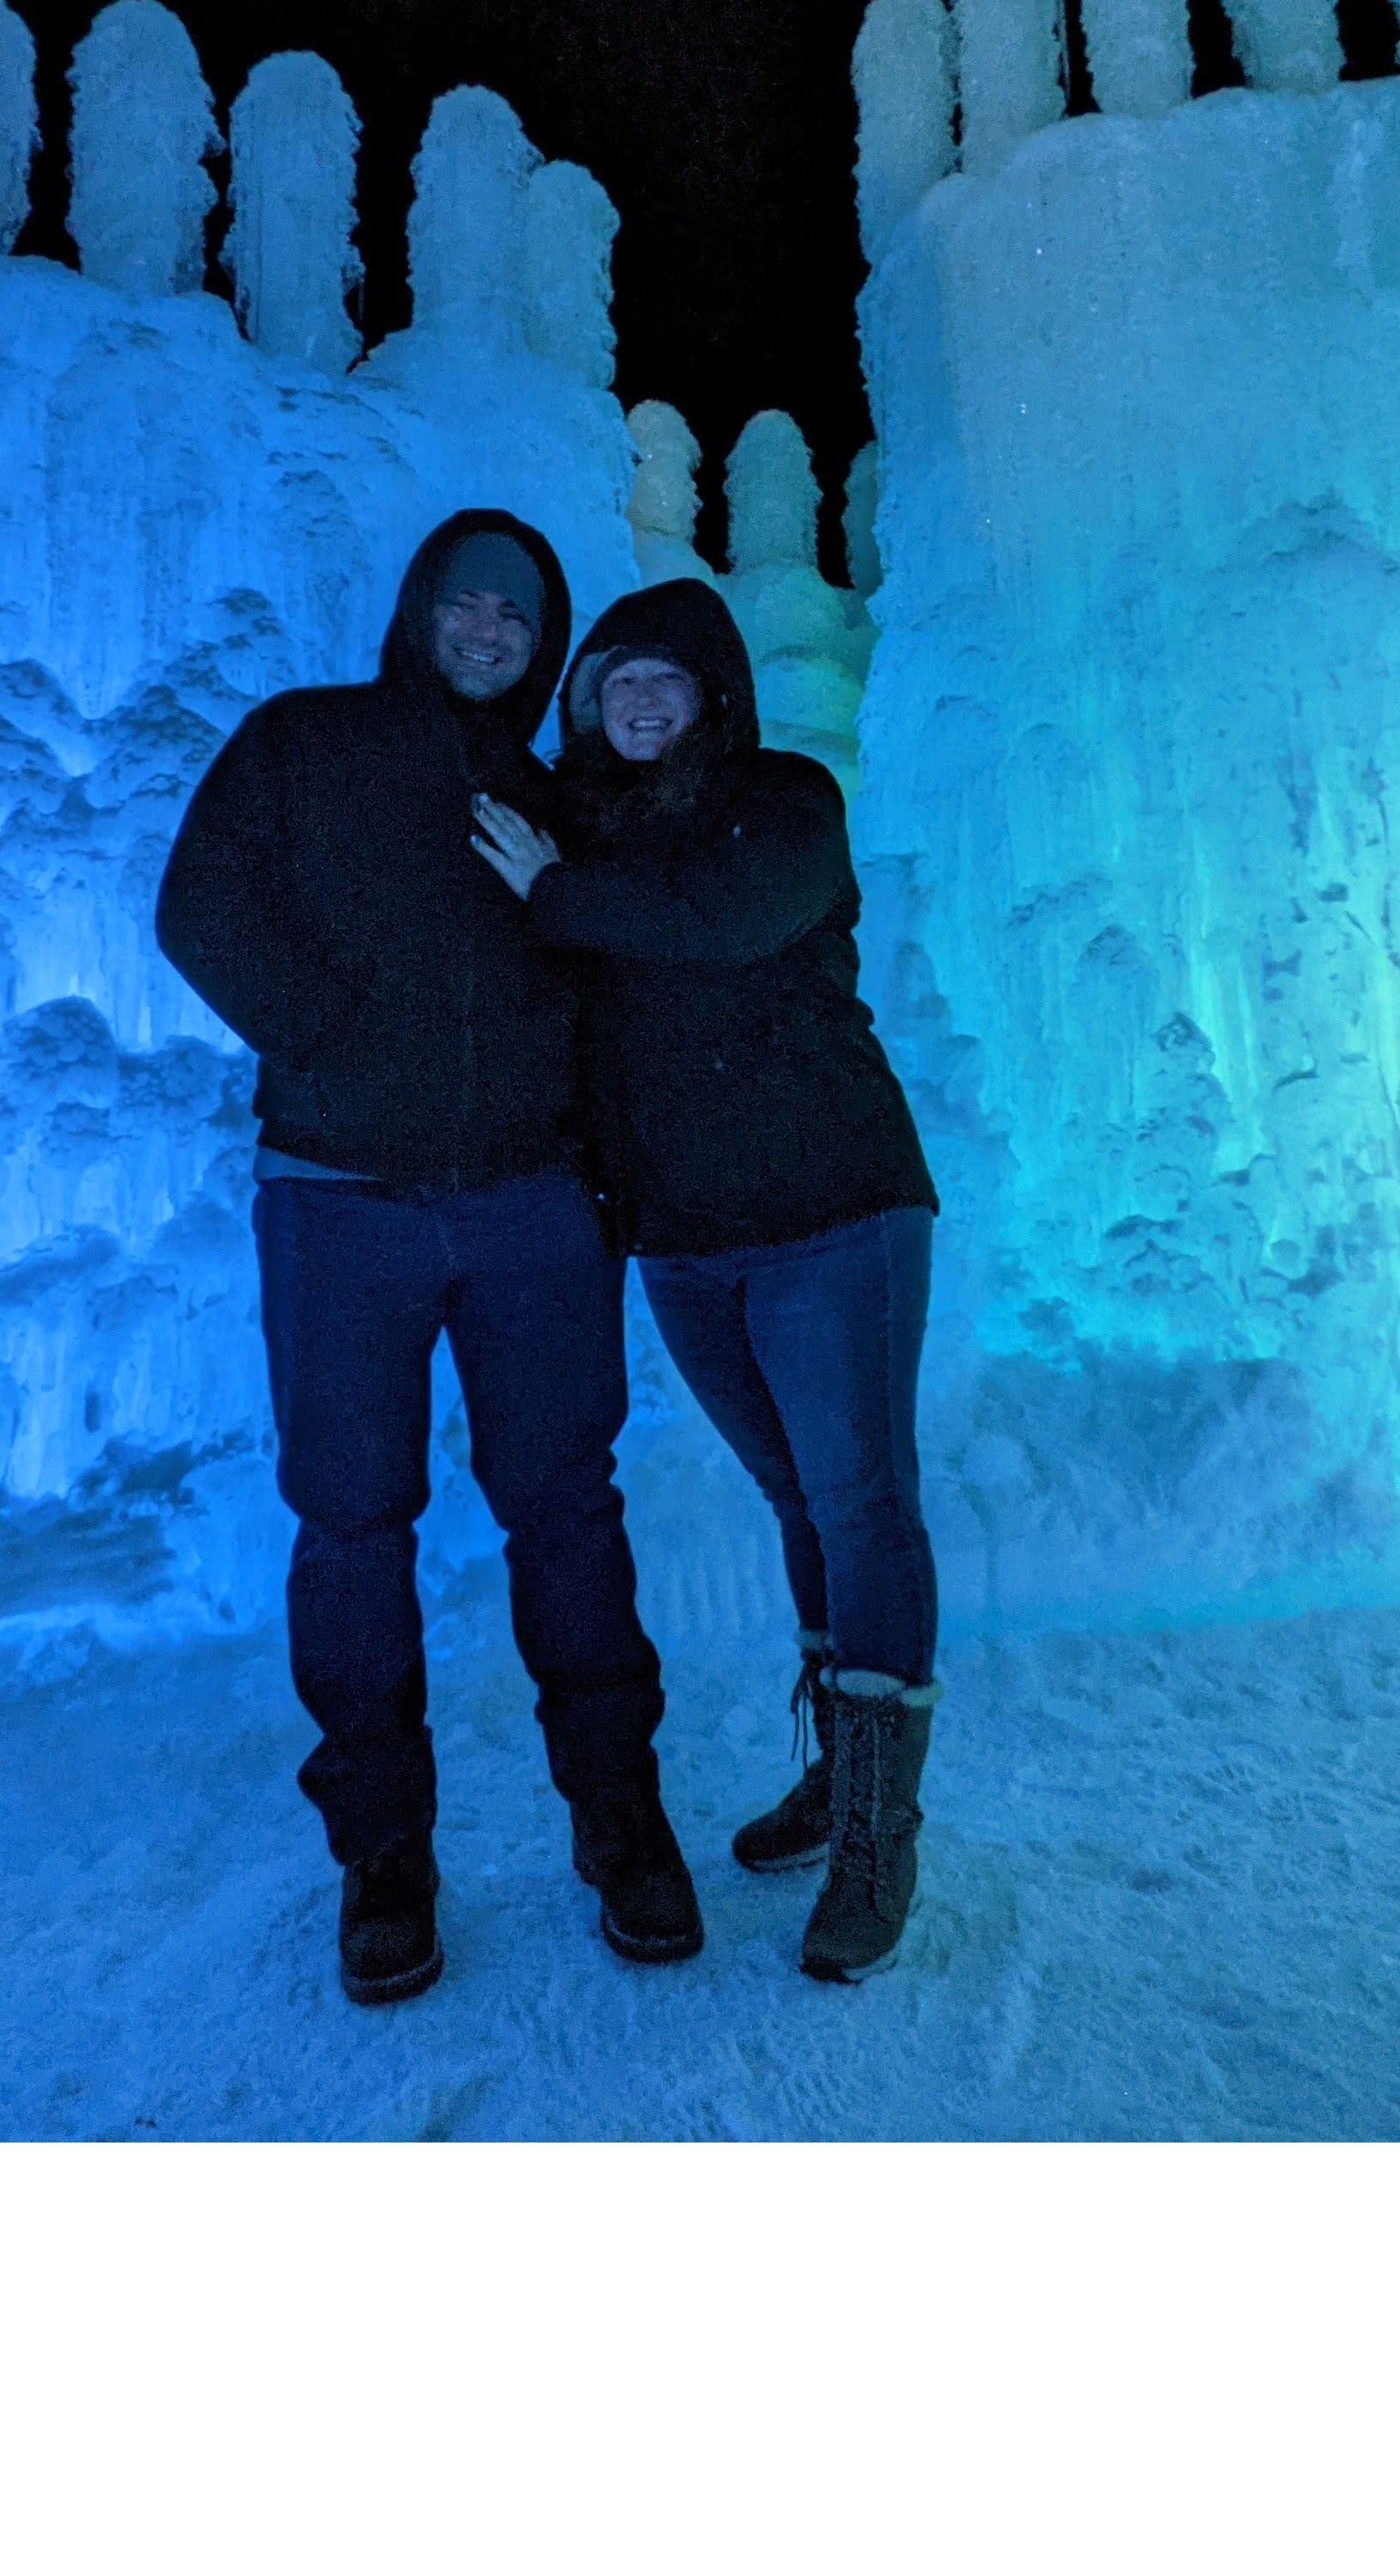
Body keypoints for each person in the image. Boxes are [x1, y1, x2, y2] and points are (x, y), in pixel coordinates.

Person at [155, 511, 702, 2007]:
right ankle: (384, 1856)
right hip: (340, 1199)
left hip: (531, 1207)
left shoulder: (557, 791)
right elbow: (196, 906)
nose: (489, 629)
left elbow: (622, 975)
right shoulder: (303, 742)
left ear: (546, 645)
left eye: (520, 617)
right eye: (466, 602)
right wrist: (332, 1043)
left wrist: (610, 1176)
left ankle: (618, 1813)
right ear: (417, 610)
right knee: (351, 1528)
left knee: (568, 1511)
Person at [467, 575, 943, 1984]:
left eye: (665, 680)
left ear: (715, 694)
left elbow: (718, 921)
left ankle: (877, 1839)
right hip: (684, 1241)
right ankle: (838, 1775)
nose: (638, 701)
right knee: (800, 1499)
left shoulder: (784, 803)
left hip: (835, 1215)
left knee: (862, 1504)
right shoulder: (584, 836)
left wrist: (551, 894)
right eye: (613, 683)